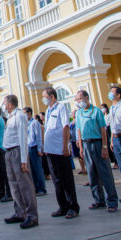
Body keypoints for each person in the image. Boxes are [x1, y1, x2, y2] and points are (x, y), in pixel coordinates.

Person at [75, 90, 118, 212]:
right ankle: (98, 200)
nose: (78, 102)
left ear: (86, 98)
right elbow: (79, 129)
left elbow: (103, 130)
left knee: (105, 173)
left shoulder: (96, 111)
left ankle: (112, 200)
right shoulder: (79, 113)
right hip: (86, 144)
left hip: (97, 143)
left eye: (79, 99)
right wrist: (81, 147)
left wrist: (105, 147)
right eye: (77, 100)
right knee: (92, 173)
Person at [42, 86, 80, 220]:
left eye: (45, 96)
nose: (43, 99)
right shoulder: (48, 111)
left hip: (60, 150)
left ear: (52, 96)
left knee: (66, 180)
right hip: (50, 151)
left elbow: (65, 127)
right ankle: (63, 206)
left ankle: (73, 207)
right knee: (56, 180)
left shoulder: (61, 108)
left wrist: (65, 146)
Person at [1, 94, 39, 229]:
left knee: (25, 185)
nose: (4, 106)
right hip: (9, 152)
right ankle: (20, 212)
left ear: (10, 105)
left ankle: (32, 215)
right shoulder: (10, 118)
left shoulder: (20, 116)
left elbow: (23, 138)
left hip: (18, 152)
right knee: (14, 184)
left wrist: (24, 160)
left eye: (5, 104)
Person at [25, 107, 47, 196]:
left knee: (38, 169)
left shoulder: (35, 123)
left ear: (29, 113)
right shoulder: (26, 124)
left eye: (24, 113)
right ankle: (35, 188)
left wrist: (39, 149)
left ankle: (42, 188)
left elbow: (38, 137)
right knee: (32, 170)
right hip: (28, 147)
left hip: (34, 147)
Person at [100, 103, 117, 168]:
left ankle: (116, 162)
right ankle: (112, 160)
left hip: (110, 130)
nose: (102, 109)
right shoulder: (103, 116)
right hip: (105, 130)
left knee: (112, 145)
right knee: (108, 146)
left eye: (103, 108)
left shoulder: (109, 115)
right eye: (101, 108)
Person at [37, 113, 51, 179]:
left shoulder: (41, 126)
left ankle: (47, 174)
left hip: (43, 145)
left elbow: (42, 136)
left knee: (44, 160)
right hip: (41, 145)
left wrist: (42, 145)